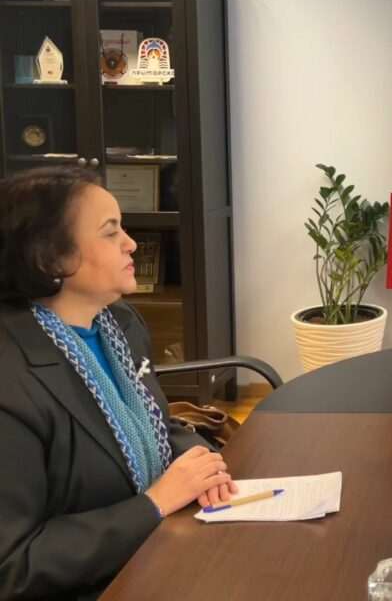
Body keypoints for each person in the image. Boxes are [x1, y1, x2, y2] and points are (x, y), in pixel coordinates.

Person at [0, 167, 240, 600]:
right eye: (111, 233)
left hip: (156, 556)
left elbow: (154, 422)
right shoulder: (11, 379)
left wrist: (201, 460)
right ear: (50, 259)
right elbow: (14, 565)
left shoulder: (120, 322)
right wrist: (154, 504)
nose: (131, 243)